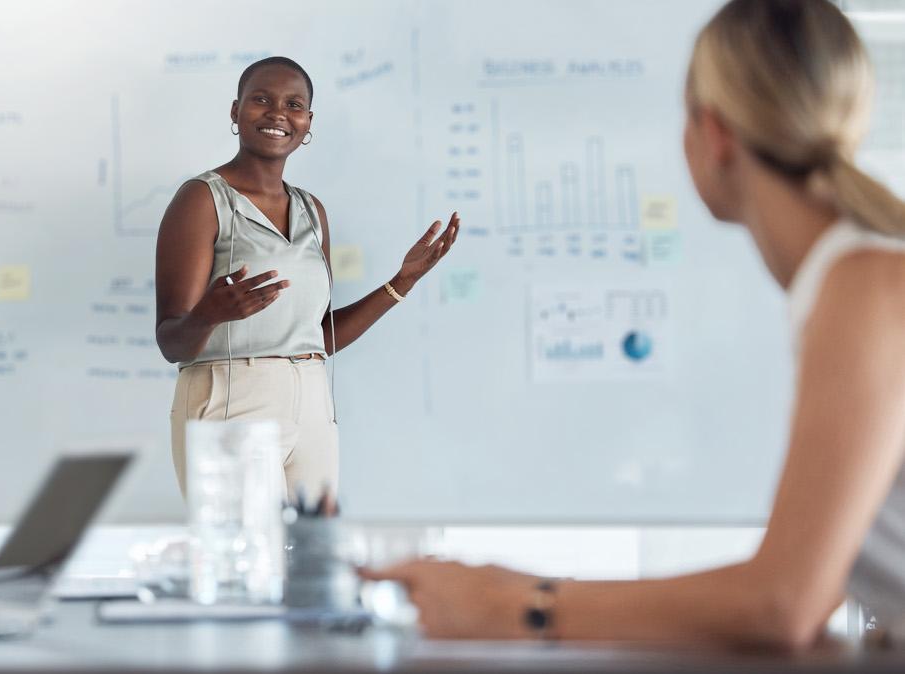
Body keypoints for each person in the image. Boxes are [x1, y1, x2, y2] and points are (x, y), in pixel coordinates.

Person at [364, 0, 905, 650]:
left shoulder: (862, 285)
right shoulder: (851, 277)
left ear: (713, 134)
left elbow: (784, 603)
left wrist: (514, 606)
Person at [155, 56, 459, 499]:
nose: (278, 113)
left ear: (308, 121)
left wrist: (402, 283)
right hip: (231, 396)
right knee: (249, 560)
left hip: (312, 404)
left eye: (294, 104)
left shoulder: (312, 211)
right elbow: (171, 342)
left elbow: (319, 336)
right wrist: (208, 314)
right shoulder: (202, 200)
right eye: (261, 99)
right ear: (235, 112)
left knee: (311, 559)